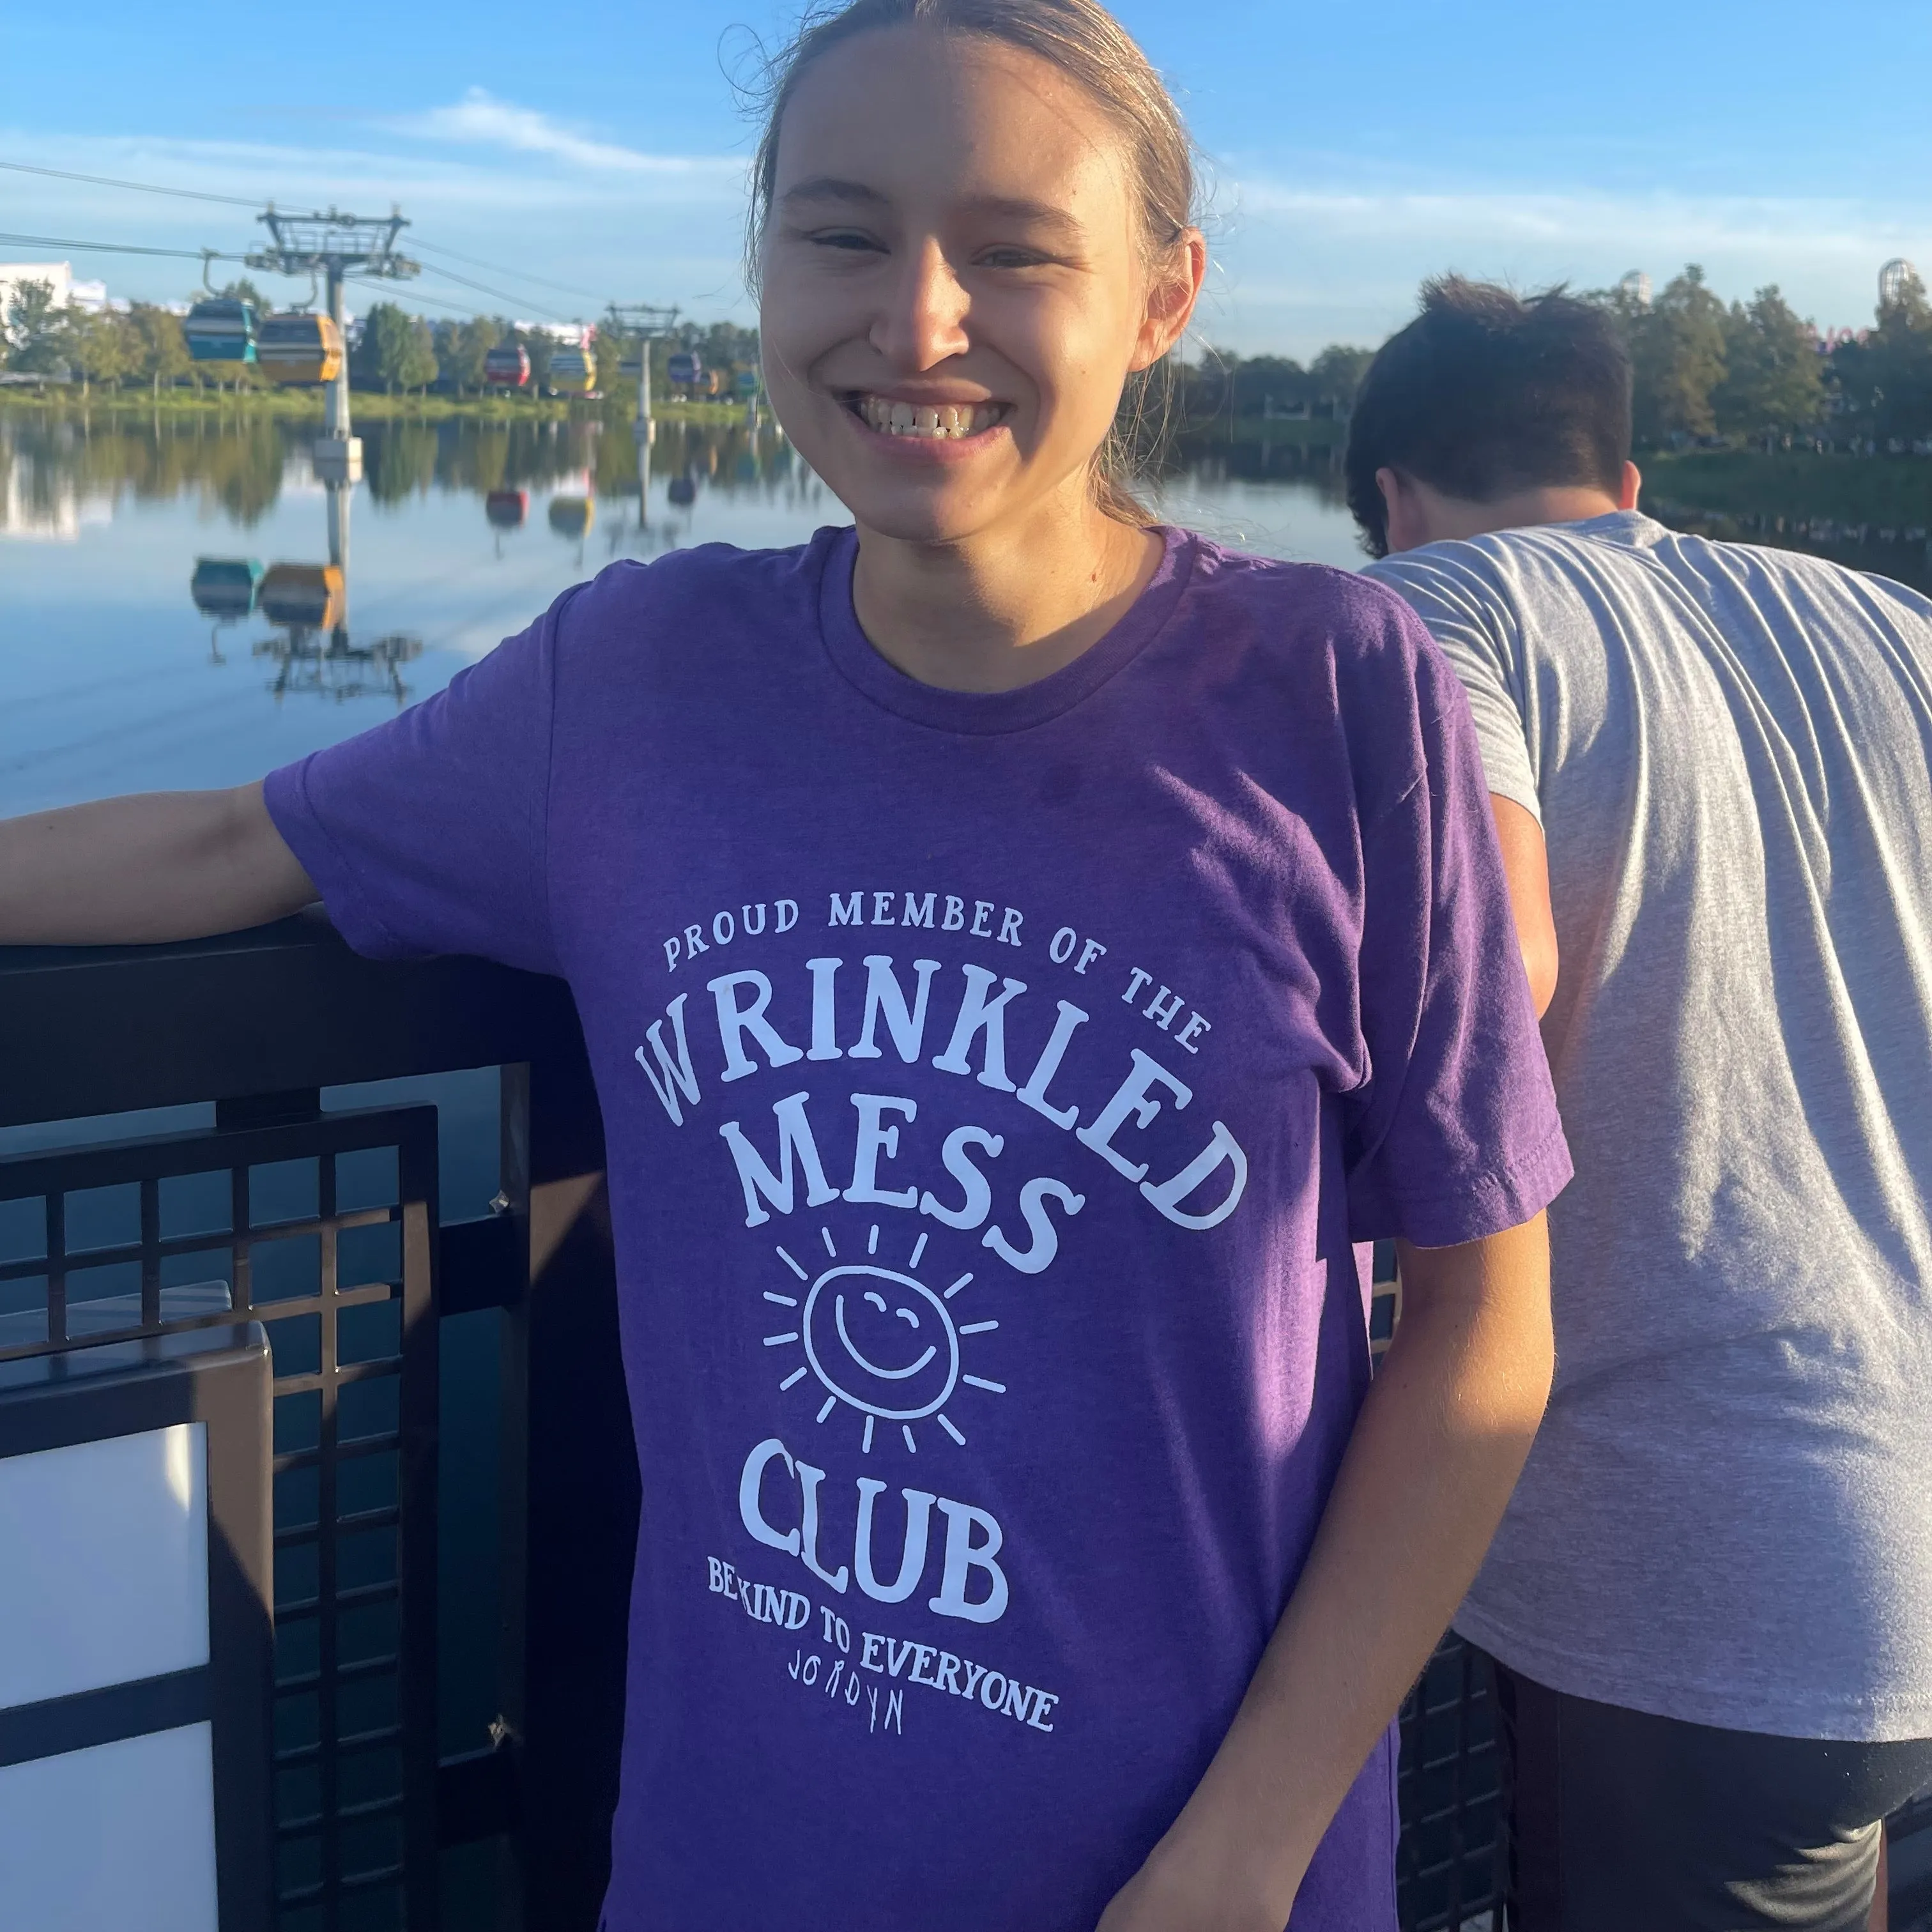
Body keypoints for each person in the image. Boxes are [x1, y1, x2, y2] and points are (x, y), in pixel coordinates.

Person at [0, 13, 1570, 1927]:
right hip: (734, 1867)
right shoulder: (634, 684)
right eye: (840, 235)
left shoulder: (1338, 696)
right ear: (761, 268)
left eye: (1013, 250)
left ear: (1161, 300)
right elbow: (236, 843)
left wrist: (1242, 1859)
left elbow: (1486, 1333)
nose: (916, 321)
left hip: (1196, 1887)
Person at [1355, 277, 1932, 1932]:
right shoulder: (1889, 623)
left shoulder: (1439, 609)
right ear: (1624, 479)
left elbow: (1492, 971)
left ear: (1390, 499)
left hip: (1711, 1592)